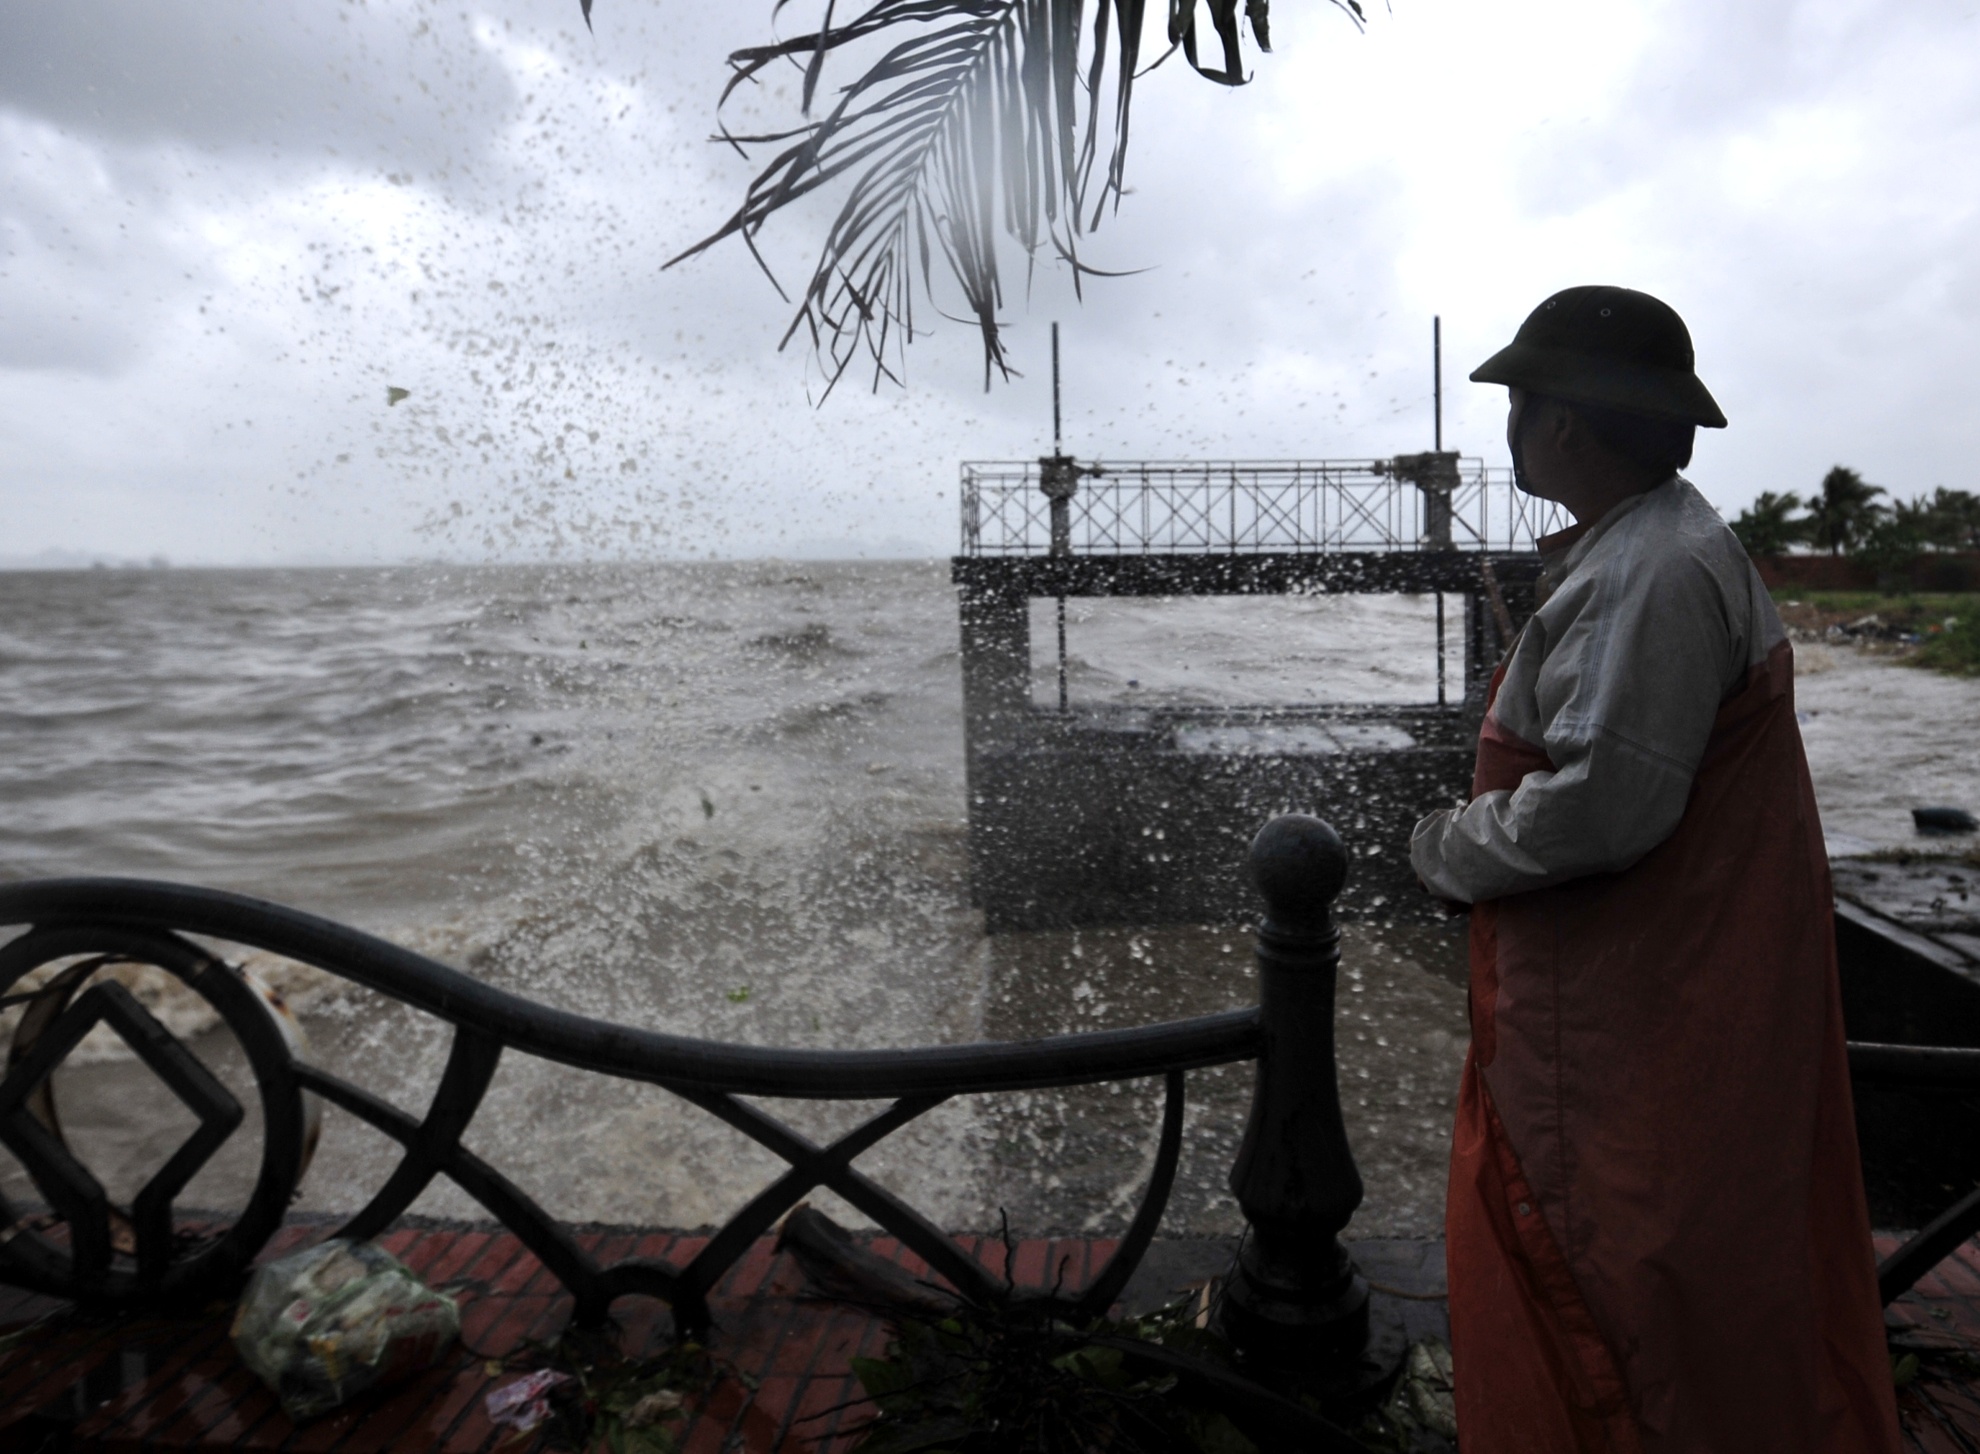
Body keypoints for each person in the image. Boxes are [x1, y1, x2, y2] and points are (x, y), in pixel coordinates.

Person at [1411, 286, 1901, 1452]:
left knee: (1619, 1288)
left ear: (1566, 425)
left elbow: (1605, 807)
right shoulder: (1653, 546)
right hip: (1657, 995)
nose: (1512, 426)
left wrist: (1445, 847)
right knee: (1673, 1275)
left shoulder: (1651, 575)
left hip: (1628, 1024)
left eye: (1520, 403)